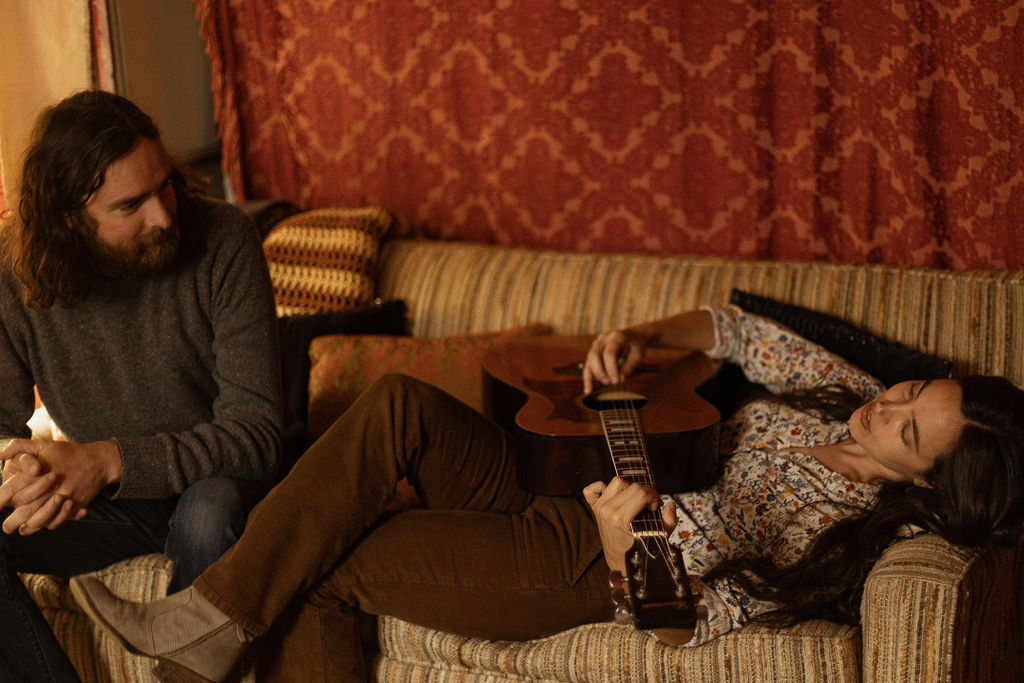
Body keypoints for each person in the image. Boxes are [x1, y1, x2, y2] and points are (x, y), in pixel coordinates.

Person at [69, 306, 1024, 682]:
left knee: (334, 566)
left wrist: (625, 542)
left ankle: (201, 625)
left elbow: (681, 622)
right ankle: (211, 619)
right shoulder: (844, 395)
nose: (882, 407)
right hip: (560, 476)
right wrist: (641, 342)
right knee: (399, 401)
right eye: (907, 391)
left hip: (583, 559)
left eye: (905, 427)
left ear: (928, 482)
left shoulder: (842, 534)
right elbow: (736, 332)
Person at [0, 91, 284, 682]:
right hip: (114, 509)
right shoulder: (11, 270)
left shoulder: (224, 238)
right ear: (67, 219)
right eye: (132, 204)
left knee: (210, 510)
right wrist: (26, 475)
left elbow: (255, 435)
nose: (163, 213)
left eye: (165, 186)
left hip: (221, 488)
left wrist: (104, 461)